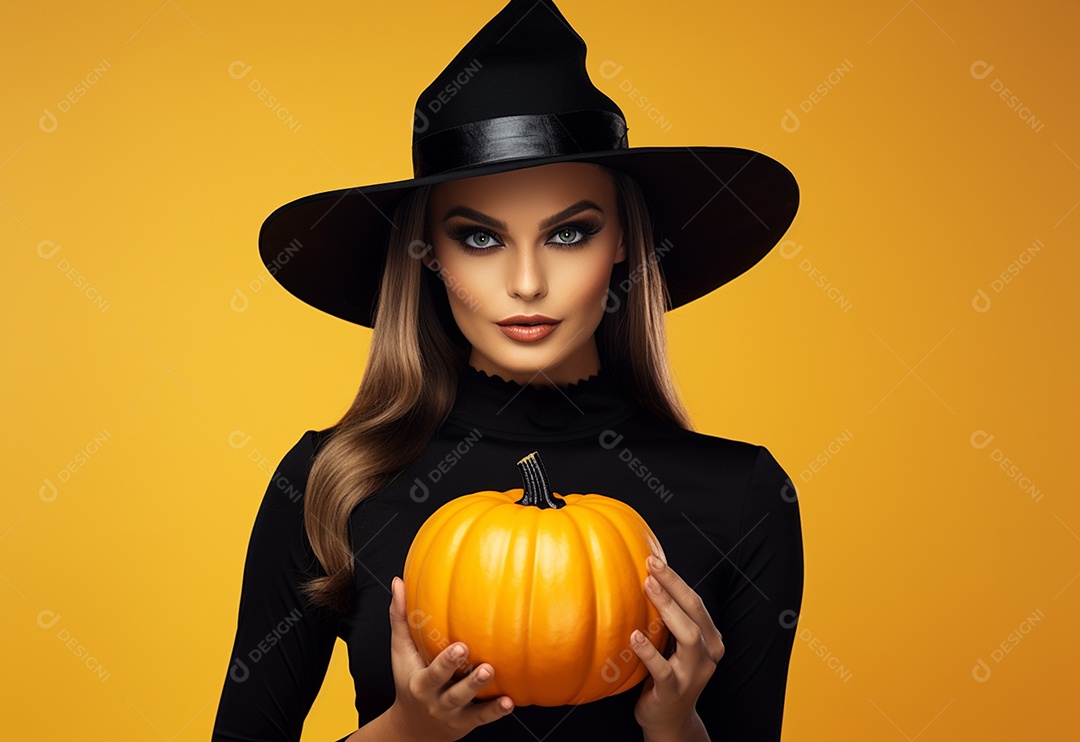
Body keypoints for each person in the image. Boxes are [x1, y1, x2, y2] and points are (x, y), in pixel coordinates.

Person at [211, 1, 804, 740]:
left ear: (621, 241)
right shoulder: (333, 482)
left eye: (568, 232)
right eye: (481, 238)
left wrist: (677, 726)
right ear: (429, 254)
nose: (527, 282)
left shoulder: (743, 496)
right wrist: (407, 733)